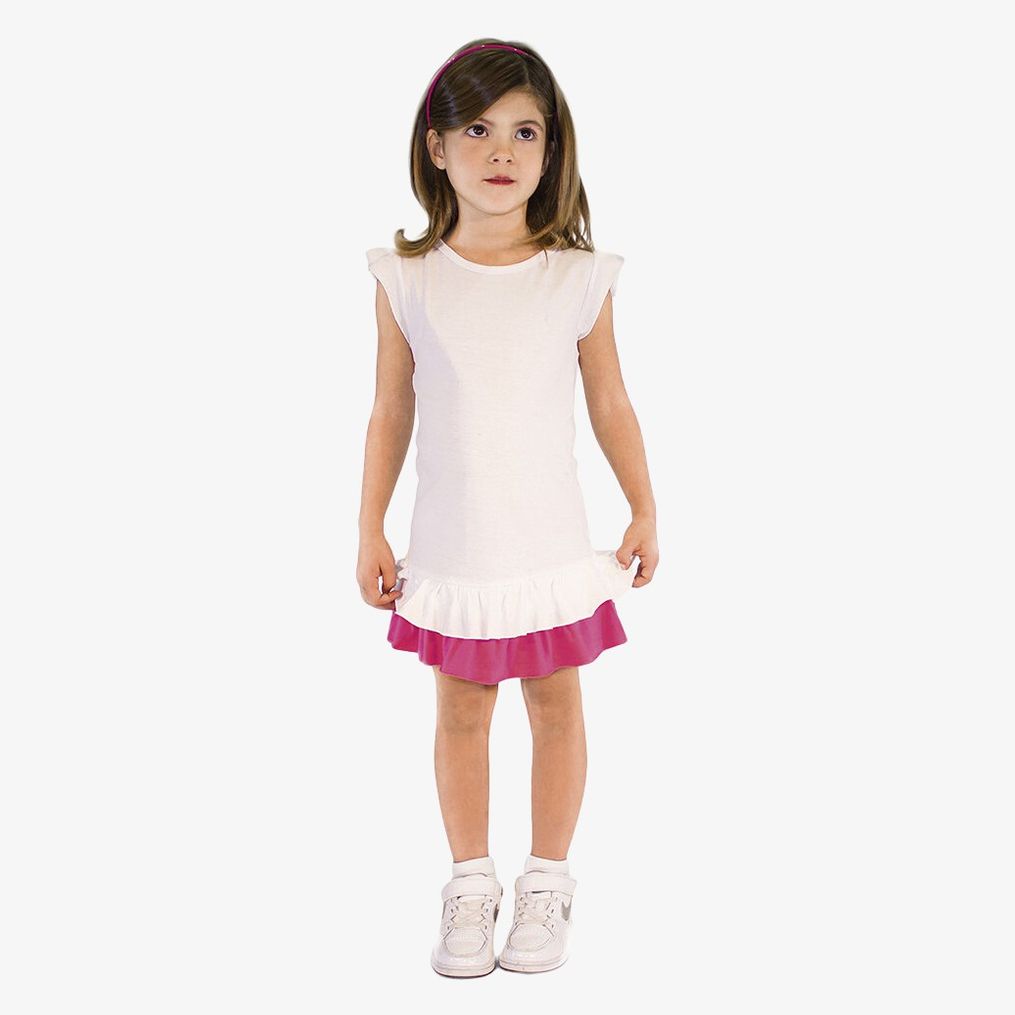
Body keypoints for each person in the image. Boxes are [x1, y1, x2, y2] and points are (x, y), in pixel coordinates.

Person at [358, 38, 658, 977]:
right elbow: (391, 408)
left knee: (556, 705)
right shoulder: (407, 277)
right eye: (477, 129)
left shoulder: (577, 275)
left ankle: (547, 882)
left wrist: (643, 505)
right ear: (435, 146)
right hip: (453, 543)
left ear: (551, 148)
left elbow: (609, 400)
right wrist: (368, 526)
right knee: (460, 712)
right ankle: (469, 881)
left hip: (547, 540)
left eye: (524, 132)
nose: (501, 150)